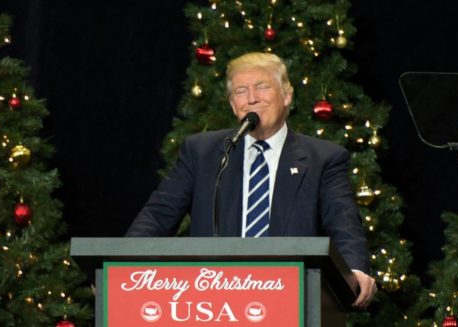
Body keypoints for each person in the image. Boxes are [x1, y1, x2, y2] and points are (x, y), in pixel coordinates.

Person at [126, 52, 377, 309]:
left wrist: (355, 268)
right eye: (241, 91)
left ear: (287, 96)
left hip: (291, 300)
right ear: (233, 104)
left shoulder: (323, 159)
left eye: (263, 87)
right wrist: (119, 266)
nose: (252, 98)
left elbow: (342, 220)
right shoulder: (202, 152)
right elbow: (159, 214)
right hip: (211, 302)